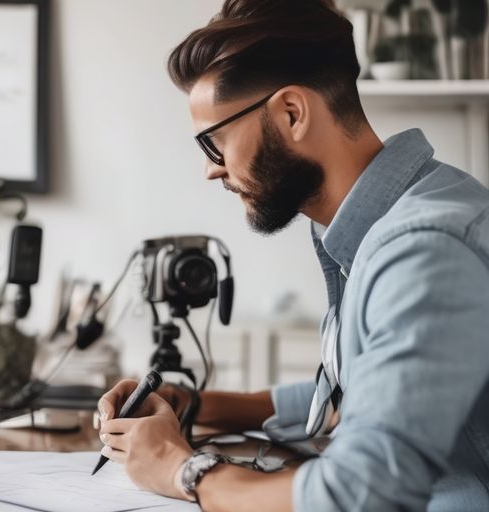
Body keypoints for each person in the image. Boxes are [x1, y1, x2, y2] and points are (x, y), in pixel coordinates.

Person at [95, 1, 489, 510]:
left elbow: (362, 494)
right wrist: (194, 404)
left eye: (215, 143)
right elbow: (367, 393)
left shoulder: (424, 249)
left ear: (291, 113)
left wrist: (181, 470)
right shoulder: (376, 223)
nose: (211, 171)